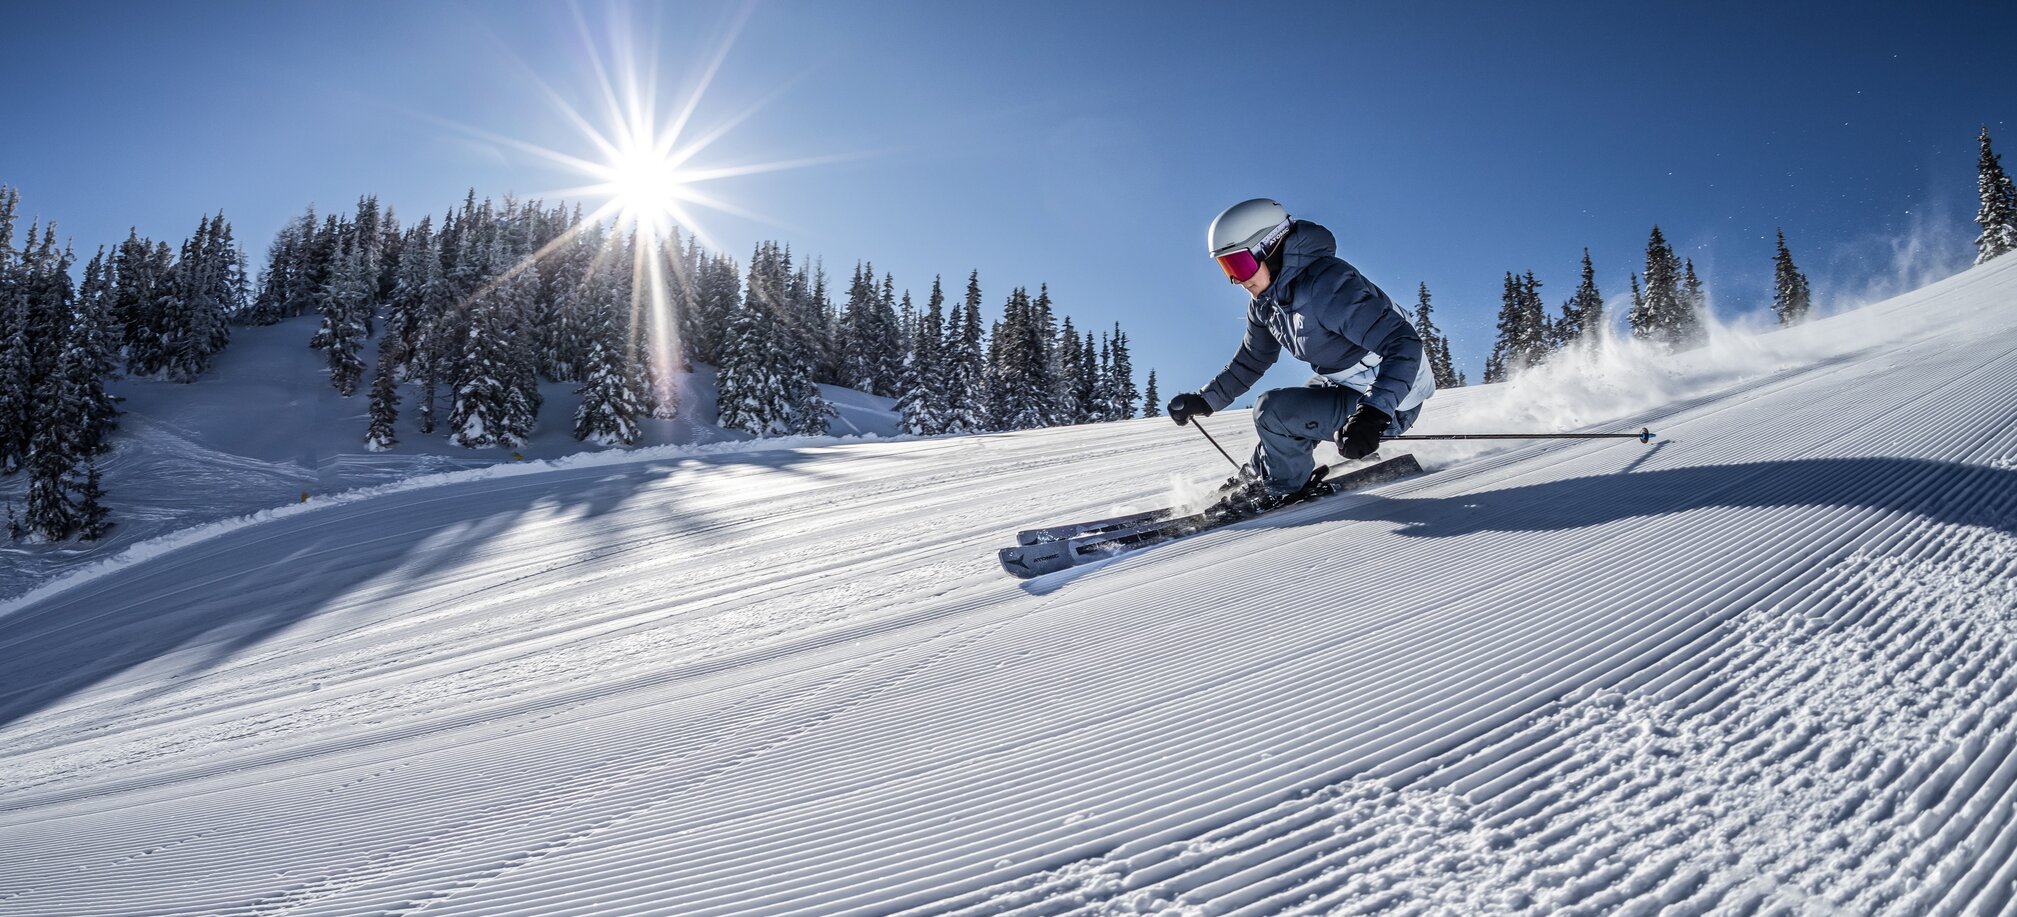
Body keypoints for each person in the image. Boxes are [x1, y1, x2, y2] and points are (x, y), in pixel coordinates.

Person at [1167, 198, 1434, 513]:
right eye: (1228, 269)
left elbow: (1403, 342)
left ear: (1271, 247)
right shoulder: (1266, 304)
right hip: (1346, 384)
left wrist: (1373, 414)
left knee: (1274, 411)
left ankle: (1283, 489)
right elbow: (1252, 358)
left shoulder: (1329, 286)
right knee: (1283, 417)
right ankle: (1257, 477)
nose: (1237, 280)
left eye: (1240, 264)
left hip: (1391, 404)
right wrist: (1206, 400)